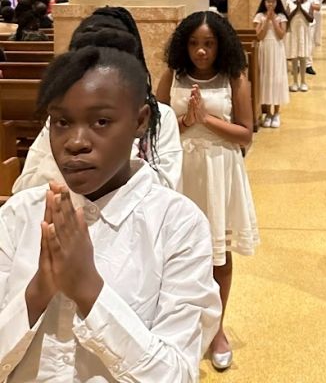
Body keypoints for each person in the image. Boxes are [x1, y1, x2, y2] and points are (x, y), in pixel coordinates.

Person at [0, 46, 221, 381]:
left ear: (140, 121)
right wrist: (37, 293)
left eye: (101, 121)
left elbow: (175, 374)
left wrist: (90, 291)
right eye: (61, 122)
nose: (76, 142)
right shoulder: (19, 214)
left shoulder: (178, 225)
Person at [157, 12, 259, 371]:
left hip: (219, 168)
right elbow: (156, 124)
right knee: (175, 252)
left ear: (221, 45)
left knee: (218, 253)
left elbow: (246, 132)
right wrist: (185, 122)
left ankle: (216, 330)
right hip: (181, 167)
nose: (201, 51)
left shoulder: (235, 76)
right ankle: (177, 325)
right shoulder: (174, 74)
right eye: (195, 43)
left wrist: (207, 121)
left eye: (209, 44)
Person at [13, 6, 183, 194]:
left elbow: (166, 186)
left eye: (102, 121)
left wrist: (119, 158)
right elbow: (25, 187)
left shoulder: (161, 116)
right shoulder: (61, 120)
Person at [253, 0, 289, 127]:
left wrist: (273, 20)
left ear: (276, 2)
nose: (270, 4)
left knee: (277, 78)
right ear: (264, 2)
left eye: (273, 1)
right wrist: (266, 20)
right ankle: (267, 112)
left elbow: (281, 35)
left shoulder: (281, 17)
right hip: (265, 49)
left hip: (277, 49)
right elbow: (259, 36)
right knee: (266, 78)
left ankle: (277, 112)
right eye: (268, 1)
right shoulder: (259, 16)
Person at [285, 0, 314, 92]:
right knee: (294, 58)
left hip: (304, 34)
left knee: (303, 57)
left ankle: (303, 81)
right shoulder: (289, 4)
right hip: (293, 34)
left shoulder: (309, 4)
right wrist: (296, 8)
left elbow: (310, 19)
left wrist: (300, 8)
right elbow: (287, 18)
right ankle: (295, 82)